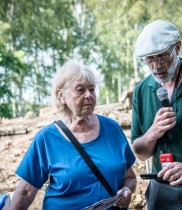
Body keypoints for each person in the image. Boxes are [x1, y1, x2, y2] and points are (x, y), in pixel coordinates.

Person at [10, 60, 137, 210]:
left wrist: (127, 190)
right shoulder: (46, 138)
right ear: (61, 96)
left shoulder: (112, 129)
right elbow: (25, 193)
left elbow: (130, 178)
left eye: (92, 89)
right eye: (80, 90)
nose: (89, 95)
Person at [131, 19, 182, 210]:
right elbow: (140, 153)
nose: (156, 66)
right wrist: (153, 132)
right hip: (161, 193)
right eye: (149, 59)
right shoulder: (141, 91)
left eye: (162, 56)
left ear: (178, 47)